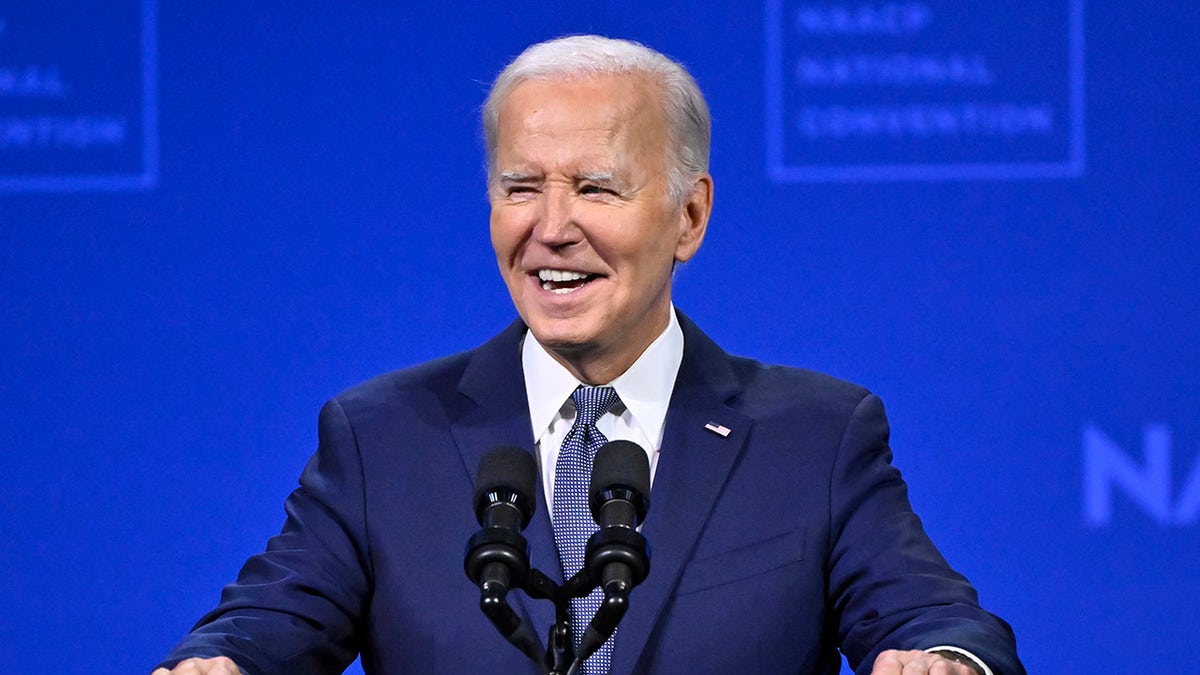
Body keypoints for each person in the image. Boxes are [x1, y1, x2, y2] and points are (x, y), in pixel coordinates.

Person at [154, 35, 1024, 675]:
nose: (551, 227)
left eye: (596, 187)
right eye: (520, 188)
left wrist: (944, 660)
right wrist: (216, 664)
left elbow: (938, 618)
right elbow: (268, 620)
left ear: (689, 216)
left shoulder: (816, 436)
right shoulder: (381, 435)